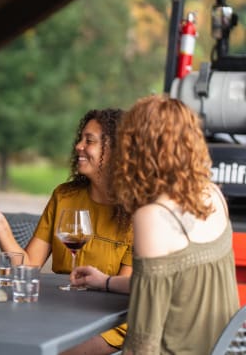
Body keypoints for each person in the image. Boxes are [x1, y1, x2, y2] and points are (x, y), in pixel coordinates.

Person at [72, 95, 239, 354]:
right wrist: (105, 282)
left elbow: (143, 341)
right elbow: (169, 282)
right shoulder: (213, 195)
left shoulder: (154, 216)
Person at [0, 108, 133, 354]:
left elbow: (124, 294)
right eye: (80, 139)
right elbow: (28, 267)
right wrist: (2, 227)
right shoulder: (65, 196)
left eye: (89, 141)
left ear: (115, 151)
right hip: (57, 311)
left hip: (107, 323)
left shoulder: (135, 212)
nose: (79, 146)